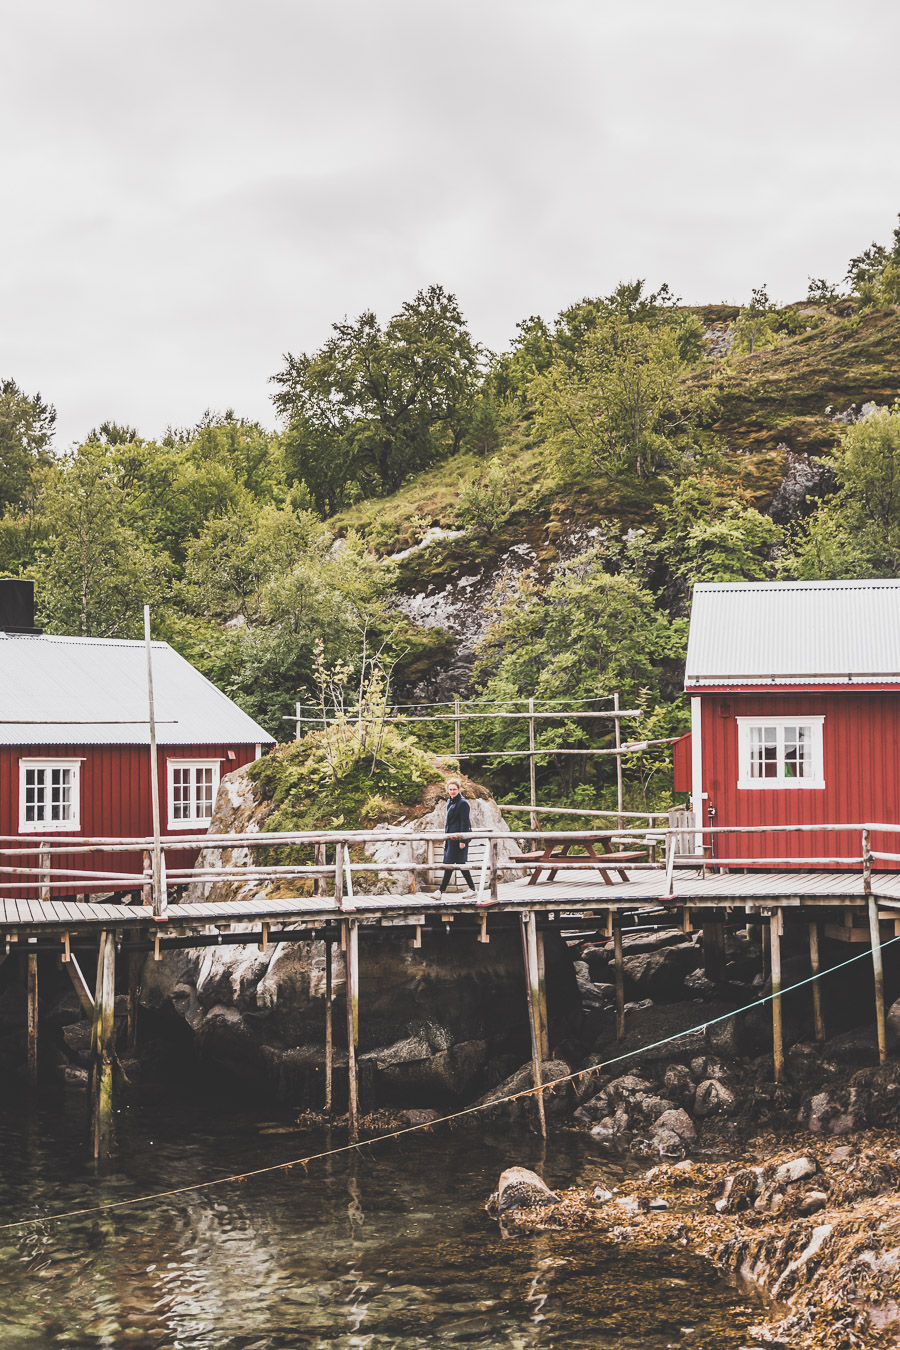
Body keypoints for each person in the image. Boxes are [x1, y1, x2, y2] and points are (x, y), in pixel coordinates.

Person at [431, 778, 477, 898]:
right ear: (447, 790)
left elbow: (465, 823)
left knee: (452, 864)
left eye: (454, 789)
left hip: (459, 838)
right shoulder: (450, 802)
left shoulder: (463, 803)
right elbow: (449, 822)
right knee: (456, 864)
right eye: (450, 789)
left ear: (459, 789)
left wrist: (463, 840)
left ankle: (440, 891)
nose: (452, 791)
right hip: (450, 838)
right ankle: (472, 889)